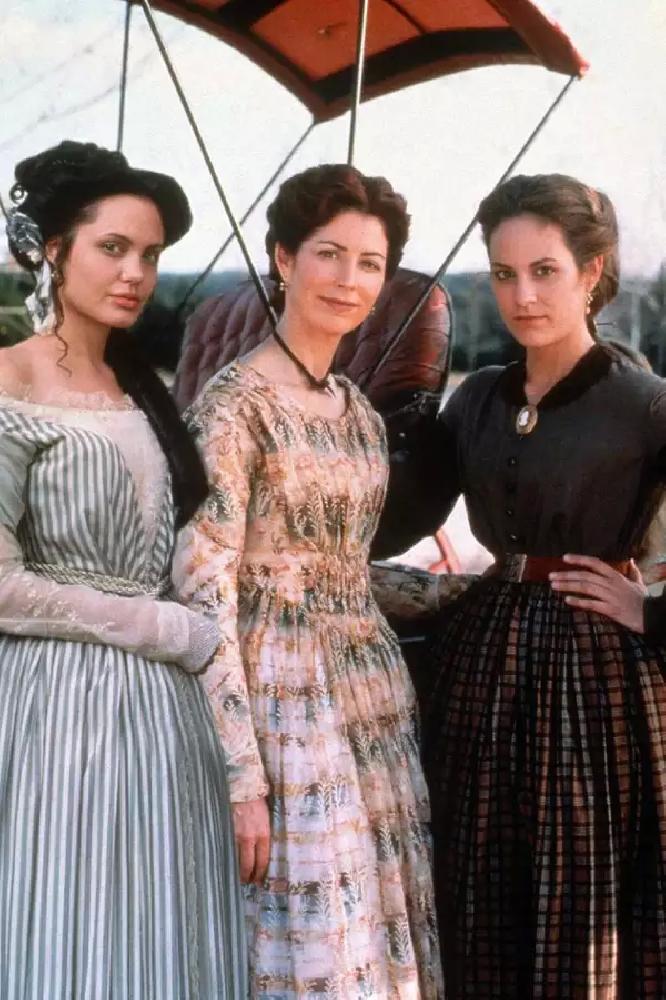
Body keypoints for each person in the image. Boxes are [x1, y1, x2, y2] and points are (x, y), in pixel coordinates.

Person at [373, 173, 666, 998]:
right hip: (482, 667)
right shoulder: (477, 399)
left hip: (595, 680)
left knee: (577, 892)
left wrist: (651, 611)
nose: (522, 295)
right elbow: (397, 520)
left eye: (545, 271)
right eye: (504, 274)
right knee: (476, 887)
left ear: (592, 271)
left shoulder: (645, 404)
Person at [172, 164, 442, 999]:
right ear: (284, 259)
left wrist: (462, 591)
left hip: (370, 698)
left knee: (378, 936)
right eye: (329, 254)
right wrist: (240, 778)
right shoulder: (234, 407)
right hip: (281, 708)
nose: (349, 279)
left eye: (370, 262)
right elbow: (204, 591)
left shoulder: (358, 413)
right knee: (318, 949)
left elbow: (343, 569)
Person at [0, 140, 245, 999]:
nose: (135, 272)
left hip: (164, 724)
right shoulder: (10, 381)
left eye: (149, 254)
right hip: (57, 716)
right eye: (112, 247)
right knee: (72, 935)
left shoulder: (142, 389)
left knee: (157, 939)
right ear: (52, 249)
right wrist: (165, 627)